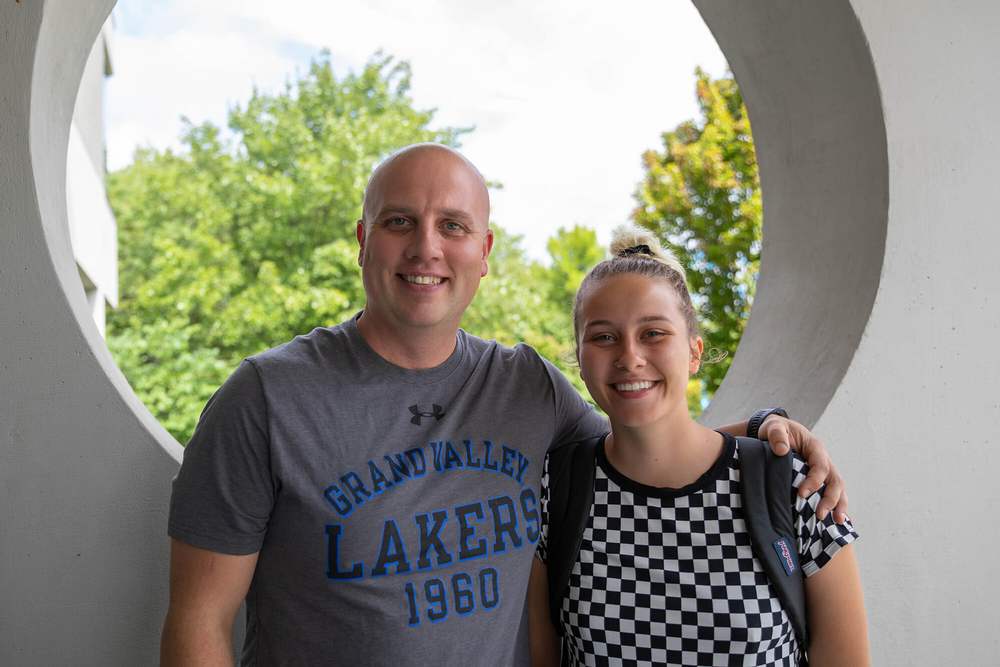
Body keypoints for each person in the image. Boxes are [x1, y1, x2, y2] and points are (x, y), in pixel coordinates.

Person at [161, 143, 848, 666]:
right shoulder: (266, 399)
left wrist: (764, 435)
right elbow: (199, 623)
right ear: (363, 240)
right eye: (400, 221)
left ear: (484, 252)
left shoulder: (526, 386)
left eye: (452, 225)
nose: (426, 246)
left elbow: (643, 446)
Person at [527, 229, 868, 666]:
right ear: (579, 356)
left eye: (653, 333)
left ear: (694, 352)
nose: (629, 356)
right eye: (604, 337)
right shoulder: (554, 491)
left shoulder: (792, 484)